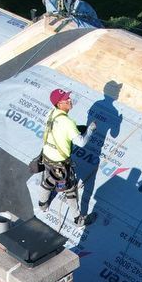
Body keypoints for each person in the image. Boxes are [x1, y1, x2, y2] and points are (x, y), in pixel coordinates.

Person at [37, 88, 95, 226]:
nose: (70, 100)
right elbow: (81, 142)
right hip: (60, 163)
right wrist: (90, 130)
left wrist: (78, 128)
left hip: (46, 157)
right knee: (71, 189)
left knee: (48, 180)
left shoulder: (51, 113)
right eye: (66, 99)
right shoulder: (67, 123)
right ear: (59, 104)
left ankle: (42, 204)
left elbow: (60, 129)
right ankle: (78, 219)